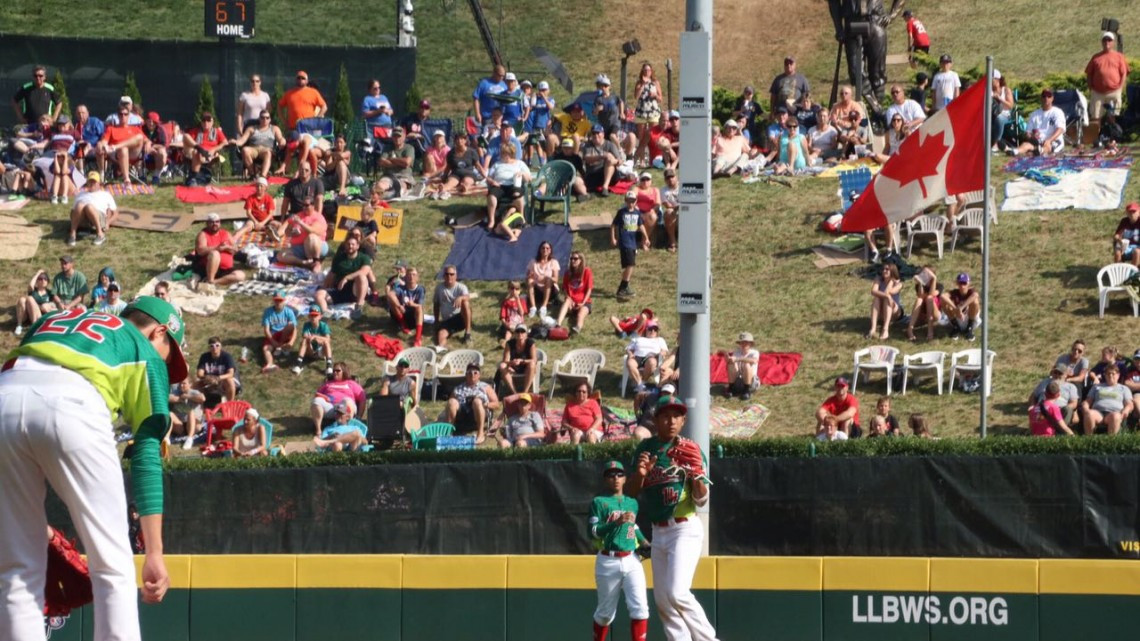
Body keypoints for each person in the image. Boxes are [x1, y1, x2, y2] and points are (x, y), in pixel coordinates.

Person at [0, 296, 185, 641]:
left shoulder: (57, 319)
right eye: (170, 354)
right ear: (159, 332)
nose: (167, 366)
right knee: (112, 565)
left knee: (17, 568)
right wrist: (155, 553)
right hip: (73, 405)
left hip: (4, 401)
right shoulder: (142, 347)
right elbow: (146, 451)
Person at [626, 395, 719, 641]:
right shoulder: (645, 449)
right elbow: (631, 493)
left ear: (683, 420)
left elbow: (701, 500)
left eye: (676, 416)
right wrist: (640, 474)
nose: (671, 420)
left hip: (684, 528)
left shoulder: (690, 449)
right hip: (659, 532)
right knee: (663, 600)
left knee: (677, 593)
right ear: (656, 420)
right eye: (665, 415)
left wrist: (696, 475)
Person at [588, 460, 650, 641]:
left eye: (619, 474)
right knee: (605, 614)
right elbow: (593, 532)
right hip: (608, 560)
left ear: (625, 479)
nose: (615, 478)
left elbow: (633, 525)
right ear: (605, 479)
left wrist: (644, 541)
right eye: (611, 475)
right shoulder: (599, 502)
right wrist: (616, 522)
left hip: (632, 559)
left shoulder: (632, 503)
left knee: (640, 609)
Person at [1085, 32, 1129, 142]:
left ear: (1113, 42)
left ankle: (1113, 138)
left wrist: (1120, 87)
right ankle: (1095, 139)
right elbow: (1089, 73)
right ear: (1101, 42)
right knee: (1095, 117)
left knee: (1113, 116)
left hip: (1114, 91)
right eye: (1104, 40)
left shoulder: (1119, 57)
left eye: (1109, 40)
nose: (1107, 42)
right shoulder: (1096, 57)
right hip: (1097, 92)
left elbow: (1124, 73)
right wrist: (1091, 88)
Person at [315, 236, 373, 317]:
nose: (350, 246)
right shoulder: (339, 258)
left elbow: (364, 271)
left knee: (361, 277)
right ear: (345, 245)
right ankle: (326, 313)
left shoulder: (364, 258)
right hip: (340, 289)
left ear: (357, 246)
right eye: (348, 244)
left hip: (356, 290)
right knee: (319, 294)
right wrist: (324, 286)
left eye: (353, 244)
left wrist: (346, 278)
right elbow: (332, 273)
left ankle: (358, 306)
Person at [446, 363, 500, 445]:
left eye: (475, 373)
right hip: (462, 412)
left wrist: (485, 405)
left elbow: (496, 404)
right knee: (452, 401)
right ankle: (449, 433)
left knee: (477, 401)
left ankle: (480, 433)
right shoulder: (458, 388)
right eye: (469, 372)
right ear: (466, 375)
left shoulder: (485, 387)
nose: (472, 375)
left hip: (479, 411)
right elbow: (450, 405)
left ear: (479, 375)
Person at [309, 362, 367, 436]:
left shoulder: (351, 383)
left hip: (347, 407)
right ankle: (318, 431)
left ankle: (348, 428)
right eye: (334, 371)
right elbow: (317, 395)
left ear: (344, 371)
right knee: (316, 401)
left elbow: (362, 399)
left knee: (346, 400)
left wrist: (359, 416)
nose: (335, 372)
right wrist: (324, 397)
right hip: (331, 407)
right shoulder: (328, 384)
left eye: (338, 371)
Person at [484, 143, 531, 234]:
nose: (501, 155)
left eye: (503, 153)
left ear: (509, 154)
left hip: (514, 185)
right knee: (492, 197)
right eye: (501, 153)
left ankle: (522, 218)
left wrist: (522, 174)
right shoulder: (497, 164)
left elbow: (529, 178)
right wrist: (492, 182)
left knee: (518, 196)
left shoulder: (520, 163)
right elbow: (488, 177)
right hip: (499, 185)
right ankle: (491, 221)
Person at [611, 191, 650, 301]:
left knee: (630, 265)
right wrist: (613, 238)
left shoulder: (637, 213)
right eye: (628, 201)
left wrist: (646, 237)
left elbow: (641, 225)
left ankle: (624, 286)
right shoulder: (621, 212)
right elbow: (613, 225)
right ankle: (623, 287)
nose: (630, 203)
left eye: (633, 201)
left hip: (633, 243)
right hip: (624, 242)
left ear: (636, 201)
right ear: (625, 201)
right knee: (631, 264)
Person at [192, 212, 246, 288]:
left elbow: (235, 249)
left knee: (240, 276)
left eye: (217, 222)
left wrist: (227, 247)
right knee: (215, 253)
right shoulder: (203, 234)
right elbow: (200, 251)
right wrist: (218, 248)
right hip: (208, 267)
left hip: (226, 269)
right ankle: (210, 278)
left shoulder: (225, 233)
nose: (215, 224)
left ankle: (212, 282)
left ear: (220, 223)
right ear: (207, 223)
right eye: (212, 222)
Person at [67, 171, 118, 247]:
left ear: (99, 183)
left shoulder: (106, 194)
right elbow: (73, 211)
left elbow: (116, 213)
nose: (91, 184)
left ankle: (100, 234)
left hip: (98, 216)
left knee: (89, 206)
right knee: (80, 205)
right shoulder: (80, 194)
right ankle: (73, 234)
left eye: (94, 182)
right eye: (90, 181)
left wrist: (108, 223)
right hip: (82, 218)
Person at [230, 110, 286, 180]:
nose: (265, 119)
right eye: (262, 117)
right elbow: (242, 140)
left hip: (267, 150)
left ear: (270, 119)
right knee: (245, 150)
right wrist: (235, 142)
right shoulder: (251, 129)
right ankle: (253, 175)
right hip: (254, 149)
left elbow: (280, 138)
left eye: (267, 118)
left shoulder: (274, 129)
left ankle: (263, 176)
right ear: (259, 118)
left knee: (268, 153)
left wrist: (282, 141)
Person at [273, 200, 329, 270]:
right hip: (300, 248)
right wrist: (292, 233)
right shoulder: (298, 215)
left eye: (307, 205)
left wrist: (300, 223)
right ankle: (304, 263)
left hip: (317, 246)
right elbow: (287, 231)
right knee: (280, 256)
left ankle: (315, 261)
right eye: (303, 205)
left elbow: (312, 230)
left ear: (313, 206)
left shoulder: (318, 217)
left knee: (311, 237)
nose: (304, 207)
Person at [1081, 364, 1133, 435]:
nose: (1110, 375)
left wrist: (1126, 409)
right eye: (1108, 373)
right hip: (1098, 412)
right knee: (1089, 414)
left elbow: (1129, 404)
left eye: (1113, 374)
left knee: (1116, 416)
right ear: (1105, 375)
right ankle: (1089, 440)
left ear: (1118, 375)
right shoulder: (1096, 387)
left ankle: (1111, 442)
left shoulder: (1124, 388)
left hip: (1115, 412)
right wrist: (1085, 406)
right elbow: (1088, 401)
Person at [1012, 89, 1066, 157]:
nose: (1046, 98)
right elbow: (1028, 132)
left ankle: (1038, 151)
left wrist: (1049, 140)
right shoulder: (1034, 114)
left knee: (1047, 146)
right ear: (1041, 98)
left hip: (1053, 140)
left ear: (1052, 98)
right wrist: (1031, 136)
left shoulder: (1057, 112)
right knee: (1026, 145)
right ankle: (1014, 151)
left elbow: (1060, 129)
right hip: (1038, 141)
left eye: (1049, 96)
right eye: (1044, 96)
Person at [433, 265, 472, 350]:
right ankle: (441, 348)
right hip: (447, 320)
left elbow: (468, 297)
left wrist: (461, 298)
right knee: (441, 334)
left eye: (451, 274)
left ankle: (468, 333)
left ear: (456, 276)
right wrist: (436, 321)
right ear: (443, 276)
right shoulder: (439, 288)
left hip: (460, 317)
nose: (449, 276)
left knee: (465, 302)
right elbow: (436, 304)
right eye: (447, 274)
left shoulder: (461, 287)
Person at [632, 63, 662, 167]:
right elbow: (636, 96)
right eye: (645, 70)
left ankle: (654, 158)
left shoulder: (655, 82)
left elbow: (660, 99)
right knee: (641, 137)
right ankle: (642, 160)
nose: (647, 72)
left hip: (653, 111)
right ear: (642, 71)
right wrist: (643, 85)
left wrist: (655, 95)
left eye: (649, 70)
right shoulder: (639, 83)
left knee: (653, 135)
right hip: (641, 112)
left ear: (651, 71)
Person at [557, 251, 594, 334]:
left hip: (584, 302)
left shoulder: (587, 271)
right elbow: (565, 289)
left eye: (575, 258)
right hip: (571, 302)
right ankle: (558, 324)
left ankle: (577, 327)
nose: (573, 260)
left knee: (581, 314)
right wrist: (569, 298)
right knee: (566, 301)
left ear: (581, 260)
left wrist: (582, 302)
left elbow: (589, 289)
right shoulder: (568, 273)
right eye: (571, 259)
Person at [195, 336, 241, 402]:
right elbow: (199, 373)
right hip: (209, 381)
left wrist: (217, 378)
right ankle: (199, 402)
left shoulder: (227, 357)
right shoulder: (204, 357)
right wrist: (207, 378)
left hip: (223, 380)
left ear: (221, 346)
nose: (214, 348)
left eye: (217, 345)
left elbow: (231, 373)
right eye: (212, 346)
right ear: (209, 348)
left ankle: (230, 403)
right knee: (195, 382)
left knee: (229, 381)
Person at [181, 112, 227, 177]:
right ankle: (199, 148)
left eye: (208, 120)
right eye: (204, 120)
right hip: (194, 152)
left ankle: (194, 176)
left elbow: (225, 142)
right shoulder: (195, 131)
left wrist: (214, 149)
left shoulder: (217, 132)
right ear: (201, 122)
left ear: (212, 122)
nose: (206, 123)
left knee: (197, 153)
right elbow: (186, 140)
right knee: (186, 136)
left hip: (209, 154)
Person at [625, 322, 668, 390]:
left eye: (655, 329)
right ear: (646, 330)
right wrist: (630, 354)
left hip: (651, 357)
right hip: (637, 356)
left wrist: (660, 354)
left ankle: (642, 382)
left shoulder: (660, 340)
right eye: (650, 329)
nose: (653, 331)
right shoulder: (638, 339)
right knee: (630, 363)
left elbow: (664, 351)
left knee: (652, 362)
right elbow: (629, 349)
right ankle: (640, 384)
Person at [293, 306, 334, 376]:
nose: (313, 317)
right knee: (304, 341)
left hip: (320, 352)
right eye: (311, 315)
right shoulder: (307, 325)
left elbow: (328, 339)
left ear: (320, 316)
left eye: (315, 315)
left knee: (326, 342)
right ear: (309, 316)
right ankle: (298, 364)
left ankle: (329, 366)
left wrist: (315, 337)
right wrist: (311, 339)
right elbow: (305, 335)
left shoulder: (323, 325)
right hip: (310, 350)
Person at [390, 267, 426, 346]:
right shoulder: (401, 288)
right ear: (405, 277)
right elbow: (390, 294)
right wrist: (399, 305)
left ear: (417, 277)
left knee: (419, 308)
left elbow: (420, 305)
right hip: (402, 314)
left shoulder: (420, 289)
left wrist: (413, 304)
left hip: (414, 316)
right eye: (409, 275)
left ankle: (417, 338)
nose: (411, 277)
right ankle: (404, 326)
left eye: (414, 275)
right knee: (392, 303)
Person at [906, 265, 943, 342]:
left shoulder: (939, 286)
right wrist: (920, 283)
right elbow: (920, 295)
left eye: (927, 274)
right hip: (922, 315)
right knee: (919, 299)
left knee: (929, 298)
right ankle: (910, 329)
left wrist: (934, 279)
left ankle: (930, 329)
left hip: (935, 315)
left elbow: (932, 294)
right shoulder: (919, 286)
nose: (925, 275)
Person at [14, 269, 56, 337]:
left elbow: (52, 306)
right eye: (40, 279)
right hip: (29, 314)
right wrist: (38, 273)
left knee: (30, 298)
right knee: (22, 299)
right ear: (37, 281)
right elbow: (31, 285)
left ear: (47, 281)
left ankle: (34, 326)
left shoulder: (49, 293)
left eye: (45, 279)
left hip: (40, 316)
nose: (43, 280)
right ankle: (19, 325)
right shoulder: (33, 291)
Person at [497, 325, 537, 396]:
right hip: (513, 368)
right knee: (502, 366)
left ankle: (525, 392)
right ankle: (514, 392)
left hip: (526, 368)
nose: (520, 333)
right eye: (518, 331)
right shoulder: (509, 343)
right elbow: (505, 361)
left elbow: (534, 360)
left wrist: (522, 361)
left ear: (526, 334)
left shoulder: (531, 343)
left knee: (532, 364)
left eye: (522, 331)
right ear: (515, 333)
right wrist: (512, 362)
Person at [167, 380, 206, 451]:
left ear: (190, 384)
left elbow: (202, 398)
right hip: (180, 425)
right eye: (180, 383)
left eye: (184, 383)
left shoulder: (194, 392)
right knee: (169, 413)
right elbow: (167, 398)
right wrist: (179, 399)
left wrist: (187, 396)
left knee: (190, 411)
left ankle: (190, 439)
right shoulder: (177, 392)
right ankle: (166, 439)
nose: (181, 385)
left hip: (194, 425)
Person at [941, 272, 980, 341]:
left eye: (964, 283)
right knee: (945, 303)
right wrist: (955, 309)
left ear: (968, 284)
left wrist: (961, 308)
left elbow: (975, 295)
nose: (962, 286)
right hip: (958, 318)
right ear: (957, 284)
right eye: (960, 283)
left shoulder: (971, 292)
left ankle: (969, 328)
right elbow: (943, 296)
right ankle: (956, 327)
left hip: (970, 318)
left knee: (975, 302)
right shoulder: (955, 292)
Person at [526, 242, 560, 319]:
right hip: (537, 289)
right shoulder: (533, 262)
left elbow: (556, 279)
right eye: (543, 248)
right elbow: (528, 277)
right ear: (540, 250)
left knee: (548, 279)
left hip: (550, 290)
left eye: (547, 248)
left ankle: (543, 307)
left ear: (550, 250)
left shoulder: (554, 262)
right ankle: (533, 307)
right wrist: (530, 276)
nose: (545, 249)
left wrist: (545, 278)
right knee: (530, 280)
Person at [868, 263, 902, 340]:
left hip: (895, 311)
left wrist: (891, 282)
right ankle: (873, 328)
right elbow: (873, 291)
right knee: (877, 298)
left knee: (887, 299)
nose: (884, 271)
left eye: (887, 269)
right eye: (883, 269)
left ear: (892, 271)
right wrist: (886, 296)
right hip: (882, 311)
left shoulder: (898, 284)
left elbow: (889, 292)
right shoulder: (879, 279)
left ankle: (885, 329)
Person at [727, 331, 760, 400]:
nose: (744, 344)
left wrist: (738, 359)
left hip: (752, 382)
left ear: (750, 344)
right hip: (739, 380)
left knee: (746, 364)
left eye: (746, 342)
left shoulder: (755, 352)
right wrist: (730, 360)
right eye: (742, 342)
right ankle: (731, 387)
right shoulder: (736, 352)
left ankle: (746, 390)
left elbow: (754, 360)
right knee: (731, 365)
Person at [1113, 202, 1140, 266]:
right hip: (1125, 245)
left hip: (1138, 246)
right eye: (1130, 212)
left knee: (1137, 252)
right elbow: (1116, 235)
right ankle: (1119, 271)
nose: (1132, 214)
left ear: (1139, 212)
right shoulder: (1124, 221)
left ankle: (1132, 273)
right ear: (1127, 213)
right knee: (1117, 252)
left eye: (1134, 211)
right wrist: (1119, 240)